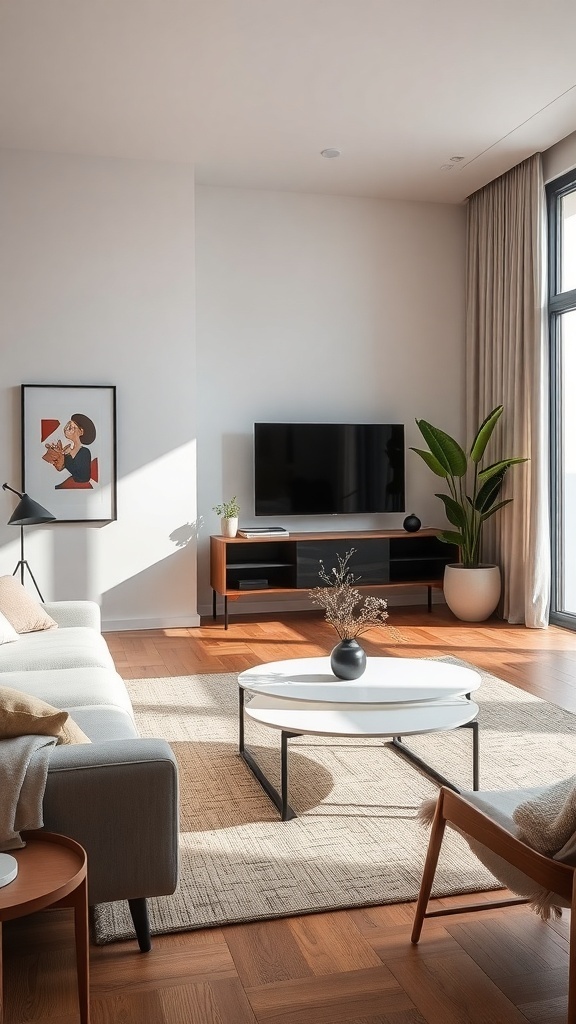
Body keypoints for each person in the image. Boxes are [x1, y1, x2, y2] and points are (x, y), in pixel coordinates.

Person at [43, 414, 96, 488]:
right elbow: (59, 469)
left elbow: (83, 477)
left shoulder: (84, 452)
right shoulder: (67, 448)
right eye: (68, 426)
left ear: (81, 432)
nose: (67, 429)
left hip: (77, 489)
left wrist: (66, 457)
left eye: (71, 427)